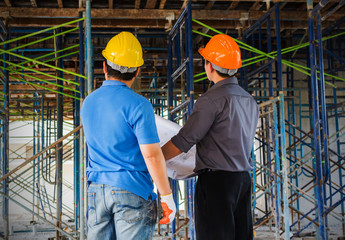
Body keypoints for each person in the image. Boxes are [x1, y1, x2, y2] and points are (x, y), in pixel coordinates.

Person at [161, 34, 259, 240]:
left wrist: (155, 158)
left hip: (217, 183)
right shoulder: (249, 101)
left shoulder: (211, 100)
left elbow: (184, 141)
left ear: (210, 66)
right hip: (243, 180)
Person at [80, 32, 176, 240]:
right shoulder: (140, 105)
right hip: (132, 190)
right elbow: (152, 156)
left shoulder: (88, 102)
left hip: (96, 191)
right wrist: (166, 196)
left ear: (105, 67)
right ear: (137, 71)